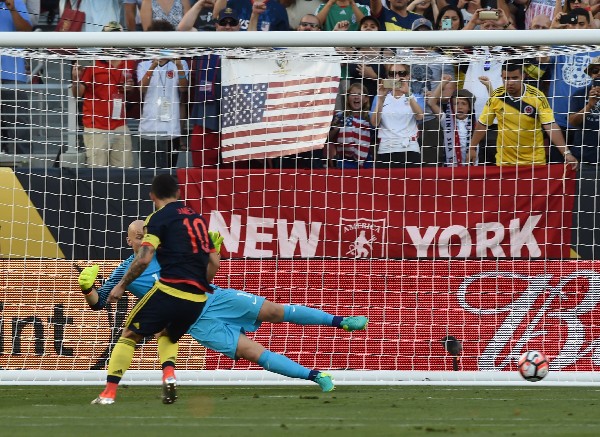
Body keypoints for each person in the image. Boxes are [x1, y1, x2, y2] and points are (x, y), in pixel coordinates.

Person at [78, 221, 369, 396]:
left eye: (147, 233)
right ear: (129, 241)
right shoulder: (126, 271)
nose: (143, 238)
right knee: (254, 353)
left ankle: (341, 321)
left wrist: (213, 252)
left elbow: (208, 275)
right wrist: (87, 287)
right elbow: (100, 303)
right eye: (137, 236)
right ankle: (317, 376)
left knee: (276, 312)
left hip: (216, 298)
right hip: (198, 323)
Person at [90, 174, 220, 405]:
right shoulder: (198, 219)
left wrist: (121, 287)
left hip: (170, 290)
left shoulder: (157, 219)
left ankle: (108, 394)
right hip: (197, 297)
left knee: (129, 334)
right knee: (167, 334)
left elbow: (143, 259)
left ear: (152, 196)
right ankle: (169, 375)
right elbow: (214, 263)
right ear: (179, 194)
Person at [467, 61, 579, 169]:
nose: (510, 82)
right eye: (506, 78)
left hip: (534, 162)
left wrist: (566, 153)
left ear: (523, 76)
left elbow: (550, 125)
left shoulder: (537, 96)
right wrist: (472, 148)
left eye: (515, 78)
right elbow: (483, 124)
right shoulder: (496, 95)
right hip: (505, 162)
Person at [181, 7, 240, 168]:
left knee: (234, 179)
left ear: (239, 26)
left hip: (236, 123)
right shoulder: (205, 44)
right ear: (216, 25)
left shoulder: (246, 46)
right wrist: (200, 3)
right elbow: (183, 30)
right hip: (207, 119)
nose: (228, 26)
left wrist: (255, 15)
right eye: (223, 22)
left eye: (232, 23)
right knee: (203, 175)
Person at [71, 22, 136, 168]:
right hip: (96, 126)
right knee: (97, 172)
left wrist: (129, 89)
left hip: (120, 124)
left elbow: (131, 94)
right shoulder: (91, 61)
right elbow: (77, 94)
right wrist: (75, 78)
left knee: (125, 171)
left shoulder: (129, 61)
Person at [137, 20, 189, 169]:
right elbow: (142, 89)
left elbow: (184, 88)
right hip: (149, 127)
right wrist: (153, 65)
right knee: (147, 173)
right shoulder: (144, 64)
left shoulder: (181, 64)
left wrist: (178, 65)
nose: (161, 48)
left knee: (168, 171)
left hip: (171, 129)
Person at [370, 64, 424, 168]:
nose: (397, 77)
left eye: (401, 73)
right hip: (386, 148)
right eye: (392, 74)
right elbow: (374, 123)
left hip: (410, 148)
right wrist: (381, 98)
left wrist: (408, 93)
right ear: (388, 77)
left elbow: (419, 117)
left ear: (408, 76)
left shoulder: (416, 96)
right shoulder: (379, 97)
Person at [0, 0, 32, 155]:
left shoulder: (16, 2)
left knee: (19, 123)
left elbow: (26, 32)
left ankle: (24, 167)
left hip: (12, 72)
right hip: (12, 74)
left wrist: (12, 9)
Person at [328, 82, 374, 168]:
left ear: (366, 99)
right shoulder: (340, 116)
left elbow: (376, 140)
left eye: (360, 94)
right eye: (353, 94)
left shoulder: (371, 118)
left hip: (366, 163)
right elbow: (328, 139)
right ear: (348, 98)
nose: (356, 97)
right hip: (345, 163)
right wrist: (336, 128)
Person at [568, 57, 600, 166]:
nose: (599, 74)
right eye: (595, 71)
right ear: (591, 74)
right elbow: (572, 122)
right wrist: (589, 105)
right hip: (584, 156)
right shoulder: (579, 94)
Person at [213, 0, 290, 30]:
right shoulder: (235, 2)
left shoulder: (279, 9)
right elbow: (216, 20)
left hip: (264, 58)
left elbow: (284, 41)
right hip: (233, 52)